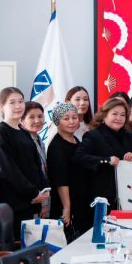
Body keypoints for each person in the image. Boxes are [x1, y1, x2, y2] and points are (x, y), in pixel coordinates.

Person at [0, 87, 49, 236]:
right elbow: (7, 170)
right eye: (12, 102)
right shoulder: (1, 132)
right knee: (16, 245)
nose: (18, 106)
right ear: (2, 106)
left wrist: (43, 190)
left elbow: (35, 165)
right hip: (11, 204)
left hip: (29, 202)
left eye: (21, 101)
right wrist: (33, 192)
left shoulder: (24, 132)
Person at [73, 98, 132, 212]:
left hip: (127, 195)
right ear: (104, 116)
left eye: (122, 115)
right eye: (114, 114)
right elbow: (78, 157)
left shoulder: (130, 137)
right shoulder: (94, 135)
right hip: (102, 197)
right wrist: (106, 160)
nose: (119, 118)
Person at [45, 102, 87, 238]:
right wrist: (67, 207)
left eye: (74, 117)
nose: (71, 122)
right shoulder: (57, 147)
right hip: (65, 204)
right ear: (57, 121)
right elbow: (61, 181)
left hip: (78, 200)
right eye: (66, 118)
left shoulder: (75, 139)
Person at [20, 102, 49, 218]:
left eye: (40, 116)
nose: (37, 121)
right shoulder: (23, 141)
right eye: (31, 117)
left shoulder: (39, 139)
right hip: (30, 200)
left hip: (41, 199)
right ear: (22, 120)